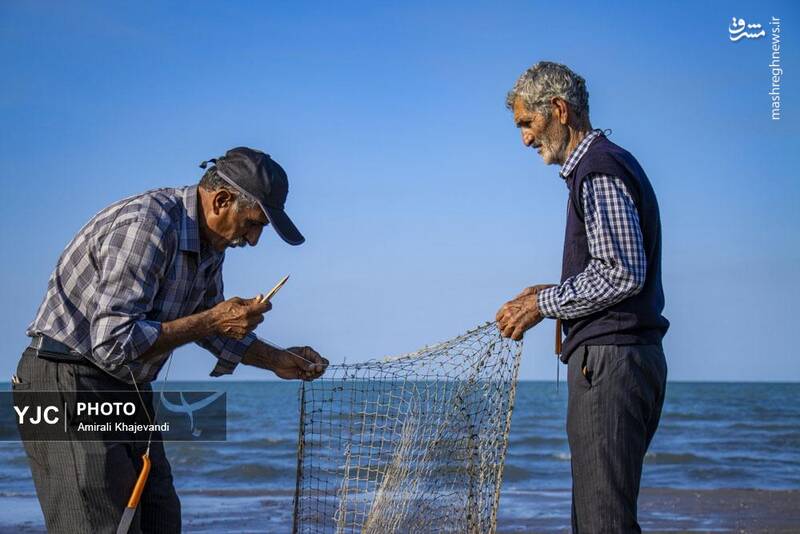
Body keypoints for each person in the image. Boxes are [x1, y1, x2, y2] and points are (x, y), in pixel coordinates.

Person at [14, 147, 328, 533]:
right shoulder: (147, 226)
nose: (254, 239)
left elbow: (215, 329)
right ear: (222, 200)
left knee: (160, 518)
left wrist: (278, 359)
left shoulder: (211, 245)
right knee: (102, 524)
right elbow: (113, 342)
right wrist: (214, 319)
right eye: (252, 224)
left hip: (126, 387)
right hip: (65, 382)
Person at [496, 62, 669, 533]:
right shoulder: (599, 168)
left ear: (558, 110)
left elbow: (621, 273)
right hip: (620, 359)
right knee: (596, 519)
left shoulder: (598, 168)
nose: (525, 140)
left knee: (603, 525)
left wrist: (541, 305)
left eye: (526, 124)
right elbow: (614, 271)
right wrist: (551, 292)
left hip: (611, 362)